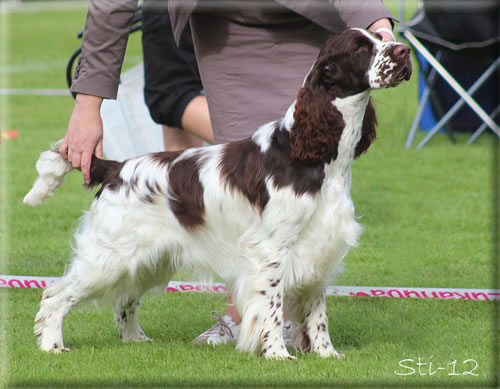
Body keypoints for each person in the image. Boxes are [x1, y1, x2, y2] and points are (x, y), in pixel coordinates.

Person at [60, 0, 396, 345]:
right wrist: (87, 106)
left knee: (312, 208)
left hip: (306, 17)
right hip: (223, 25)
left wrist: (378, 26)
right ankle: (249, 324)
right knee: (256, 215)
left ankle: (305, 331)